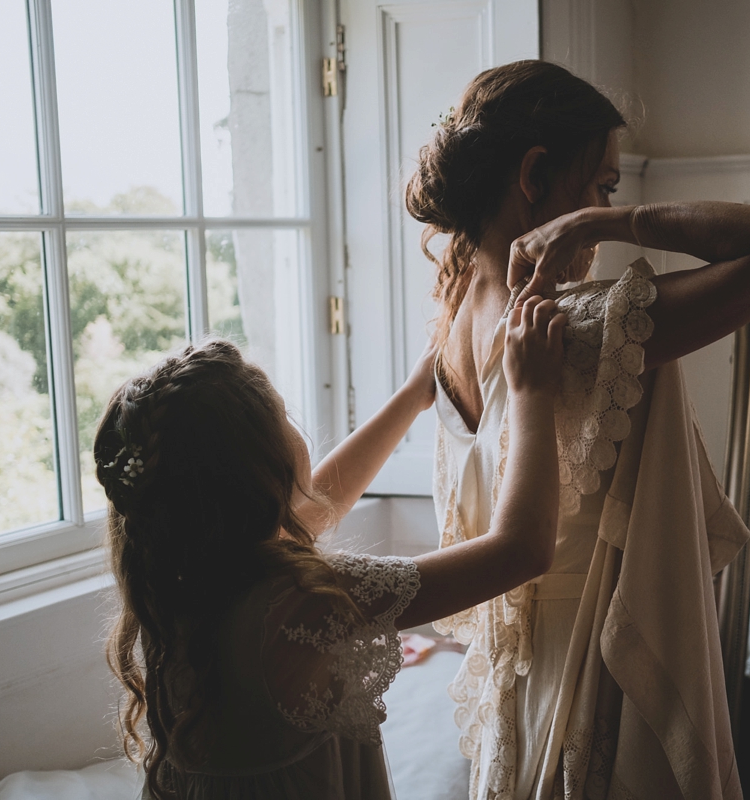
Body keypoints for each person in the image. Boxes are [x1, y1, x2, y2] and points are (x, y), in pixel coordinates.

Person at [405, 60, 750, 799]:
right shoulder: (579, 327)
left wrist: (592, 210)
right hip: (595, 670)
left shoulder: (448, 333)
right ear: (536, 174)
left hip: (514, 688)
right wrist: (611, 224)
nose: (607, 207)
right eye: (603, 185)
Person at [96, 296, 566, 800]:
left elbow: (315, 506)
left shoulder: (180, 579)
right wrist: (530, 392)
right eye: (281, 412)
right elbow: (522, 550)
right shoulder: (302, 601)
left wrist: (411, 397)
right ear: (257, 469)